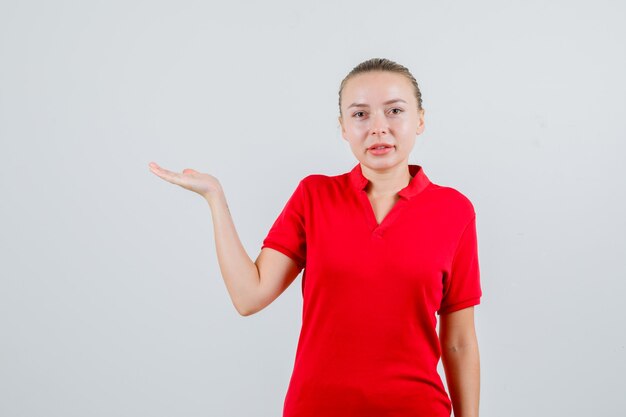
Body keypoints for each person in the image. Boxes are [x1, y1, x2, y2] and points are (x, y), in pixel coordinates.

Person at [148, 57, 482, 417]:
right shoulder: (315, 196)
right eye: (360, 115)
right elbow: (249, 296)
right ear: (342, 127)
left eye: (394, 111)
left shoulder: (454, 210)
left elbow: (460, 343)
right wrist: (215, 197)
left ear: (419, 120)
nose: (378, 128)